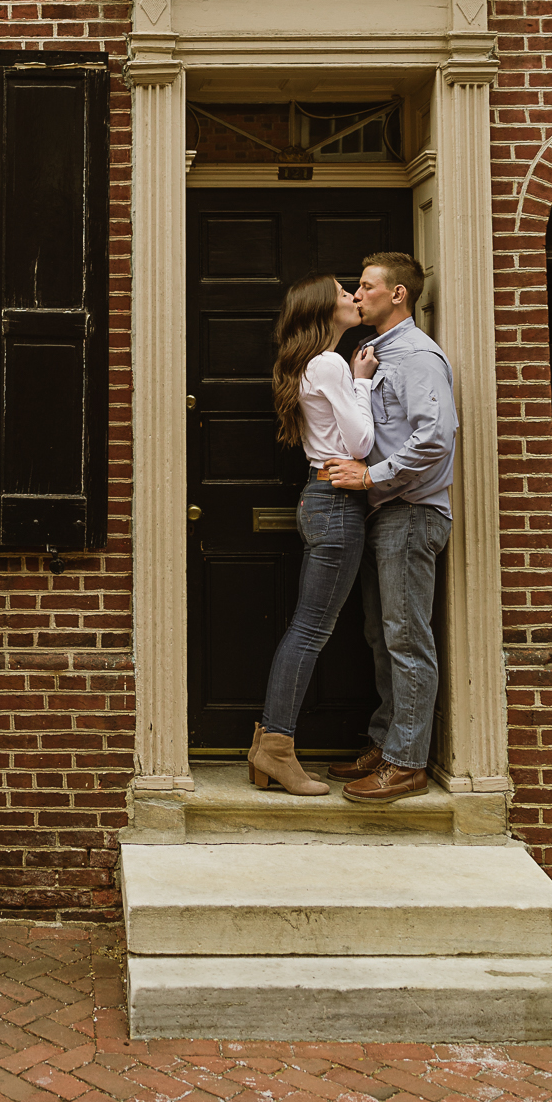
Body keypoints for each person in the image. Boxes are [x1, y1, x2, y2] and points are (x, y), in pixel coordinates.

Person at [320, 251, 456, 805]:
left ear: (397, 294)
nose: (357, 294)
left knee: (406, 637)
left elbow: (435, 438)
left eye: (366, 285)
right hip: (385, 513)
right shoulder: (374, 354)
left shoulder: (419, 357)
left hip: (411, 512)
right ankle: (385, 742)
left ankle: (407, 763)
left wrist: (369, 474)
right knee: (382, 635)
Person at [249, 273, 379, 795]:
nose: (352, 295)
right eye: (343, 291)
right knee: (310, 631)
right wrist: (363, 382)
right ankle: (275, 748)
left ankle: (267, 749)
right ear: (324, 308)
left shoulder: (311, 363)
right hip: (336, 501)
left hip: (317, 497)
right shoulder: (328, 363)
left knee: (307, 628)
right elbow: (361, 441)